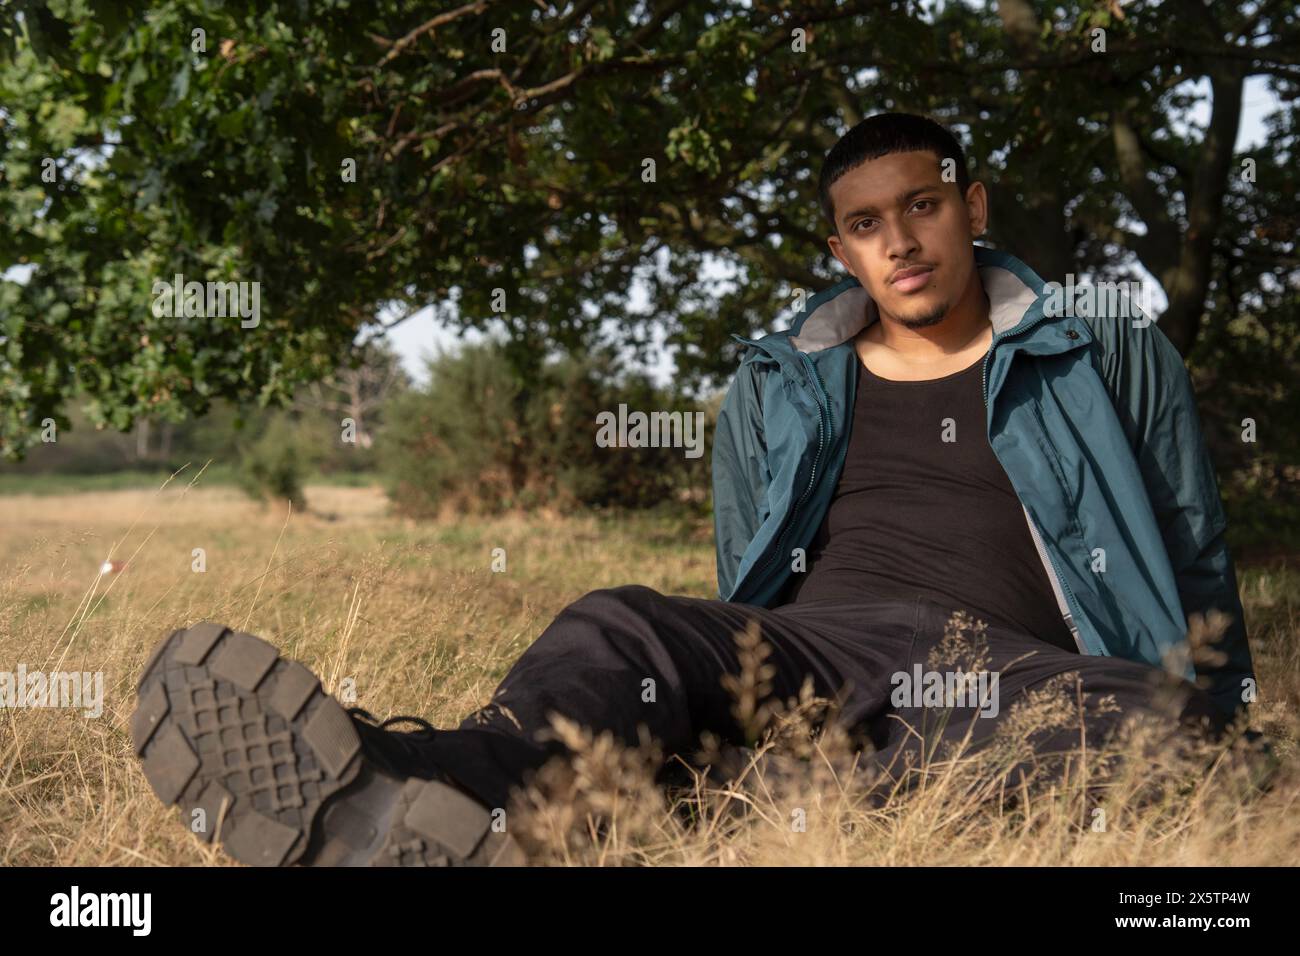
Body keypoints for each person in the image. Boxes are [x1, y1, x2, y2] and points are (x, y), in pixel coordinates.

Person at [132, 112, 1265, 867]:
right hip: (818, 648)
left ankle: (723, 794)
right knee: (623, 623)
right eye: (865, 225)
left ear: (971, 207)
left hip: (1011, 666)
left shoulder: (1104, 350)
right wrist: (733, 660)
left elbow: (1190, 542)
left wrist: (1219, 712)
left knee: (1154, 732)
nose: (899, 242)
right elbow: (745, 563)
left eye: (920, 207)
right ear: (841, 252)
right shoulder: (778, 382)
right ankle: (408, 789)